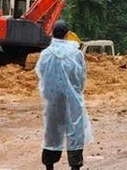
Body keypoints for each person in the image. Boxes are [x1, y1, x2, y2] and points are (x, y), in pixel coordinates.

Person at [35, 20, 92, 170]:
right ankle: (75, 166)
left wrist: (49, 93)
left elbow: (41, 75)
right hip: (72, 100)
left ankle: (49, 166)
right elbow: (81, 77)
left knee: (52, 132)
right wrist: (76, 91)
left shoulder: (45, 54)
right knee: (75, 133)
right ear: (67, 35)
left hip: (52, 100)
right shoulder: (76, 53)